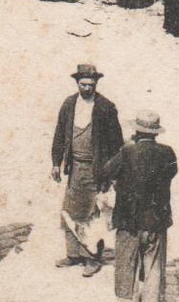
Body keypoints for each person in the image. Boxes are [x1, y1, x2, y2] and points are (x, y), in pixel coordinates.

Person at [98, 111, 178, 302]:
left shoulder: (126, 152)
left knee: (126, 263)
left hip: (128, 219)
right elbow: (172, 172)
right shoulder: (167, 152)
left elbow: (106, 171)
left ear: (136, 131)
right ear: (155, 133)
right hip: (156, 219)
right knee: (153, 265)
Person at [50, 63, 124, 275]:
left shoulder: (106, 107)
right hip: (75, 168)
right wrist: (56, 162)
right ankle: (73, 254)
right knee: (71, 210)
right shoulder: (69, 104)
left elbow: (116, 142)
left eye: (90, 85)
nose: (86, 89)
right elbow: (59, 135)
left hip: (96, 170)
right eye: (83, 84)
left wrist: (112, 173)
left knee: (93, 214)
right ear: (77, 83)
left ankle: (92, 258)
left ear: (96, 84)